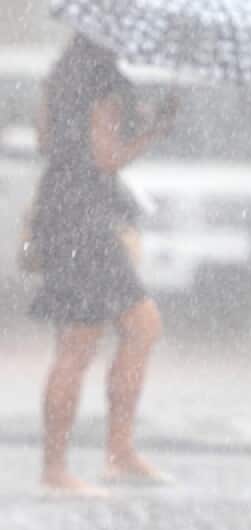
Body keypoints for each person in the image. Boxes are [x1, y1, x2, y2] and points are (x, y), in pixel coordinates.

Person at [28, 35, 177, 497]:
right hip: (85, 221)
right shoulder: (104, 80)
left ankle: (115, 453)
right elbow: (106, 157)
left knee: (129, 328)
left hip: (60, 211)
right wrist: (155, 131)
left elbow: (44, 140)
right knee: (85, 343)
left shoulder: (60, 75)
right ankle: (63, 469)